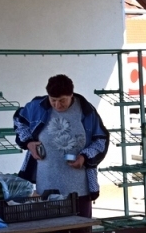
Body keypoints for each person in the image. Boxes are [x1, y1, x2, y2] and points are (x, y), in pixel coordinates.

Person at [14, 74, 110, 218]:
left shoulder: (86, 110)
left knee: (80, 231)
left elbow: (100, 140)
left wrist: (84, 157)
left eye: (62, 100)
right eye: (53, 100)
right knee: (51, 232)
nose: (58, 105)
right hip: (46, 185)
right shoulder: (37, 106)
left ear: (71, 95)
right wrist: (29, 142)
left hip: (79, 188)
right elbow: (19, 121)